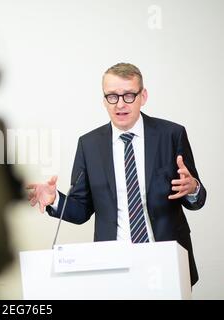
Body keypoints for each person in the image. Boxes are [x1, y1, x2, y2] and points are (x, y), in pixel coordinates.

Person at [27, 62, 206, 286]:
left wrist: (193, 189)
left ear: (143, 96)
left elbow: (197, 200)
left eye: (129, 95)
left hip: (167, 258)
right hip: (113, 264)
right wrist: (56, 200)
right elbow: (81, 209)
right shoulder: (89, 144)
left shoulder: (171, 134)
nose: (120, 104)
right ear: (104, 100)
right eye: (112, 96)